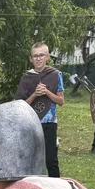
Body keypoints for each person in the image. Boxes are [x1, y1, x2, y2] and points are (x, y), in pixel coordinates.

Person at [15, 43, 65, 176]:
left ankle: (55, 186)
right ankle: (32, 186)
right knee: (31, 159)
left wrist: (47, 92)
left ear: (47, 56)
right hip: (31, 123)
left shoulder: (55, 75)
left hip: (49, 122)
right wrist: (34, 94)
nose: (38, 59)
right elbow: (20, 105)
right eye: (35, 56)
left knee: (50, 159)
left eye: (41, 55)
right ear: (31, 59)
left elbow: (61, 101)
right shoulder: (26, 77)